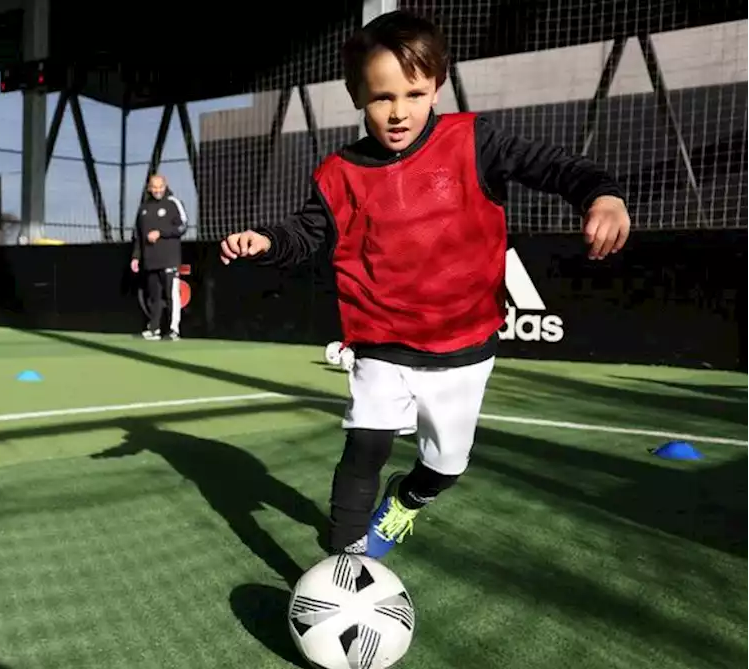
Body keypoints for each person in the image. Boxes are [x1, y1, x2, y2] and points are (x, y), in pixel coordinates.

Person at [218, 10, 631, 559]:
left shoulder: (474, 141)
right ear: (357, 96)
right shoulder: (337, 173)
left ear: (436, 86)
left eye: (413, 94)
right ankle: (344, 561)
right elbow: (306, 232)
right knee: (364, 448)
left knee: (445, 467)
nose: (398, 112)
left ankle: (408, 501)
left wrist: (601, 195)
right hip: (382, 342)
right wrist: (268, 241)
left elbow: (554, 166)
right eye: (382, 97)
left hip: (464, 348)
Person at [131, 174, 189, 341]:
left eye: (160, 187)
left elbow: (183, 226)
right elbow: (138, 236)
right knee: (154, 296)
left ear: (165, 186)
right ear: (149, 188)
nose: (157, 190)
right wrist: (136, 257)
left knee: (171, 294)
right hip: (150, 261)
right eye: (154, 187)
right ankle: (154, 328)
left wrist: (161, 233)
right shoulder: (143, 208)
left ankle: (173, 330)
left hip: (169, 259)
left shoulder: (173, 203)